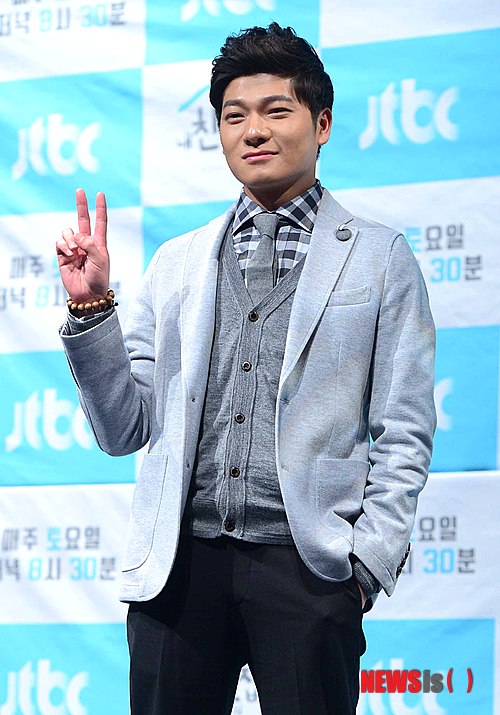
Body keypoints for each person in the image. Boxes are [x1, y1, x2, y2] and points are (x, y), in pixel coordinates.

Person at [56, 23, 436, 715]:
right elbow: (122, 430)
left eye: (275, 110)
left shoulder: (380, 257)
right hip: (179, 571)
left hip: (308, 571)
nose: (253, 131)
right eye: (234, 116)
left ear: (322, 124)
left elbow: (404, 428)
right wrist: (92, 310)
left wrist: (363, 567)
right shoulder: (177, 261)